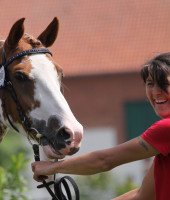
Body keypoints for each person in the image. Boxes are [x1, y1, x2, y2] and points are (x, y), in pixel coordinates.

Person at [31, 52, 170, 200]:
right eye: (150, 83)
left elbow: (104, 160)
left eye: (164, 84)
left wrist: (51, 168)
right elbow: (142, 195)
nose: (156, 92)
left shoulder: (165, 129)